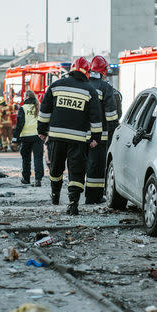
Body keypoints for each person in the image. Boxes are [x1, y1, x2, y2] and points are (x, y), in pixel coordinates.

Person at [37, 56, 102, 215]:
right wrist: (96, 137)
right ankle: (73, 204)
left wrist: (41, 130)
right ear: (87, 73)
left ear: (71, 70)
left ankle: (55, 196)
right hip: (78, 140)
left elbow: (45, 111)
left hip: (57, 137)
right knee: (76, 171)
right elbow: (96, 117)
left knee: (56, 168)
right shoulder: (90, 91)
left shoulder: (56, 86)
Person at [85, 55, 119, 204]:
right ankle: (94, 197)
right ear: (104, 70)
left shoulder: (83, 84)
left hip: (81, 134)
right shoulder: (106, 88)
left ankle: (79, 194)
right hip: (101, 135)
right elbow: (111, 115)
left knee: (82, 164)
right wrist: (114, 130)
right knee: (97, 166)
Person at [12, 90, 44, 186]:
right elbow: (43, 121)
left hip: (25, 137)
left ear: (26, 97)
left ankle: (26, 179)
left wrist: (15, 138)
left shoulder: (23, 108)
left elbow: (19, 124)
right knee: (38, 158)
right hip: (37, 137)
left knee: (26, 159)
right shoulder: (38, 107)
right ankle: (38, 180)